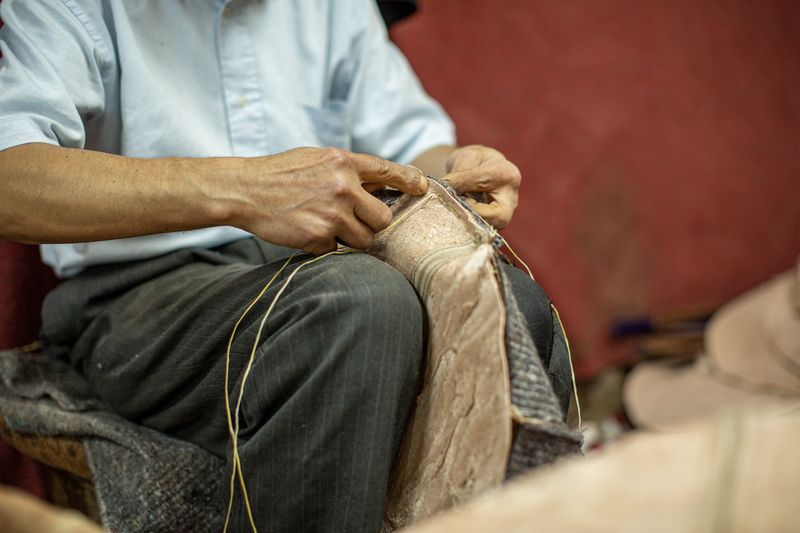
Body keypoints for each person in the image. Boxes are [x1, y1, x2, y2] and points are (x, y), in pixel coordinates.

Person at [0, 1, 572, 531]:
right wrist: (244, 190)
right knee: (357, 307)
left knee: (508, 305)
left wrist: (455, 174)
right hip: (141, 297)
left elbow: (412, 147)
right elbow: (11, 181)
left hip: (320, 270)